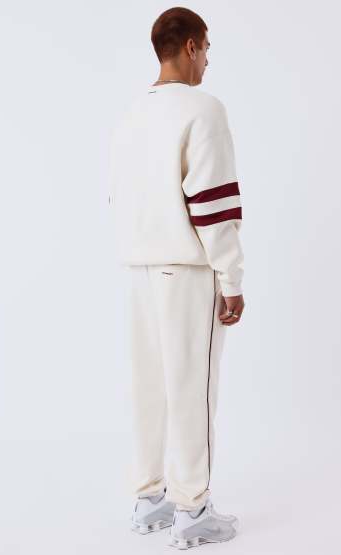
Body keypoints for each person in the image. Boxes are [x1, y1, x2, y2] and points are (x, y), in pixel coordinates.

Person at [108, 7, 245, 549]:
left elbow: (118, 197)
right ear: (190, 46)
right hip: (186, 271)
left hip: (138, 270)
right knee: (193, 389)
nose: (207, 61)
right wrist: (231, 279)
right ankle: (193, 510)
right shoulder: (203, 109)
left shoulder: (131, 114)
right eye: (206, 49)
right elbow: (213, 204)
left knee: (150, 388)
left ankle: (149, 500)